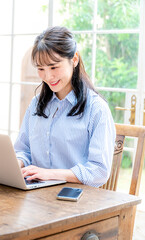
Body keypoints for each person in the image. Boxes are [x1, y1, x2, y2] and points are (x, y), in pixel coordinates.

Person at [14, 26, 115, 187]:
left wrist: (49, 174)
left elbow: (99, 171)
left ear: (74, 59)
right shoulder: (35, 104)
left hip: (75, 200)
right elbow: (23, 150)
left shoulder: (97, 109)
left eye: (54, 67)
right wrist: (15, 165)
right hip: (35, 194)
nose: (48, 76)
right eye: (41, 69)